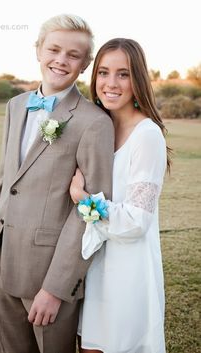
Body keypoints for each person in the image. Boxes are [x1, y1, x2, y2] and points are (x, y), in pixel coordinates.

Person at [0, 14, 114, 353]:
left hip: (48, 274)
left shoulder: (94, 122)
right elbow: (6, 182)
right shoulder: (16, 106)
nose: (61, 60)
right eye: (53, 49)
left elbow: (91, 211)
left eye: (73, 55)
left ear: (85, 65)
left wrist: (56, 288)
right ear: (38, 50)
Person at [70, 38, 171, 353]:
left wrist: (82, 200)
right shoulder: (97, 128)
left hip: (127, 272)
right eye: (103, 72)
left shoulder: (147, 135)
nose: (110, 83)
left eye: (123, 74)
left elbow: (136, 221)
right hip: (92, 267)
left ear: (137, 79)